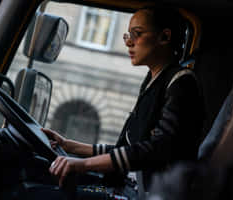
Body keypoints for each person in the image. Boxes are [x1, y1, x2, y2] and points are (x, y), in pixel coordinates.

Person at [42, 5, 204, 193]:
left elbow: (157, 150)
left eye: (137, 34)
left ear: (164, 37)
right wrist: (70, 145)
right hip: (128, 186)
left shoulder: (181, 83)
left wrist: (83, 164)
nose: (128, 43)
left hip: (147, 193)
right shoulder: (153, 80)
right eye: (127, 36)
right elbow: (129, 149)